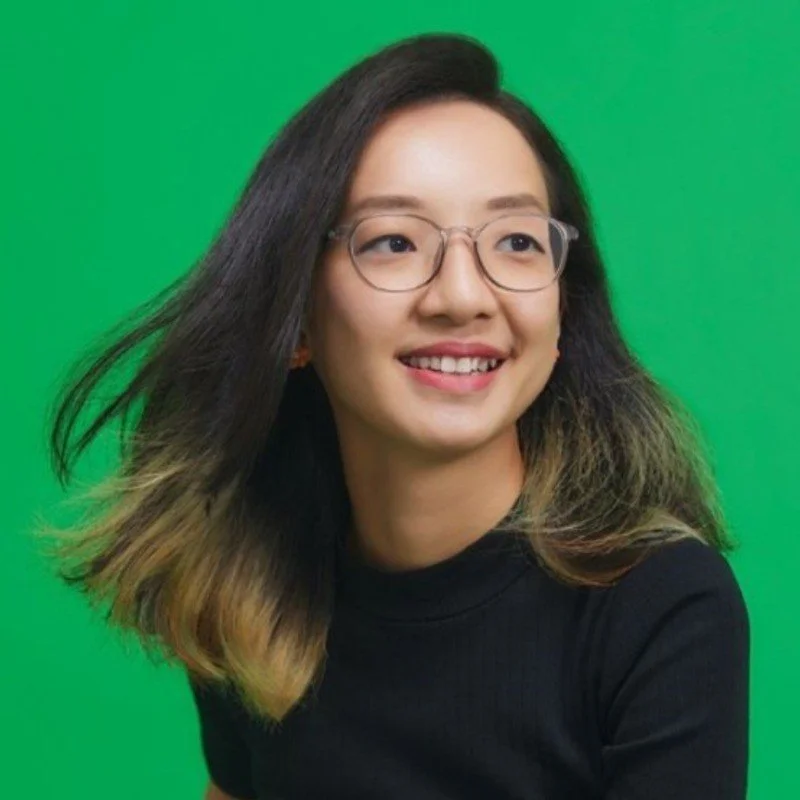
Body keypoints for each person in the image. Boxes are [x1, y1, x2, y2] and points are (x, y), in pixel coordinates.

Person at [37, 32, 749, 800]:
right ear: (296, 321)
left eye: (516, 241)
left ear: (562, 309)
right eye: (394, 242)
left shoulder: (660, 607)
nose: (463, 296)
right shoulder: (249, 589)